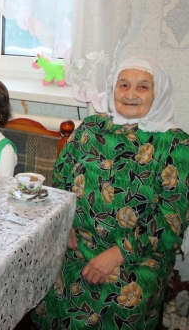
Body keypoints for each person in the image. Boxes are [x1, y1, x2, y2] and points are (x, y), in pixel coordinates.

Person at [32, 56, 189, 329]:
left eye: (143, 87)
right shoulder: (91, 127)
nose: (130, 94)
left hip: (137, 254)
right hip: (77, 241)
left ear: (159, 93)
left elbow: (171, 220)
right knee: (39, 272)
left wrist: (118, 254)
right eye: (123, 84)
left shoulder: (176, 144)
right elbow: (61, 178)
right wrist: (64, 223)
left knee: (122, 300)